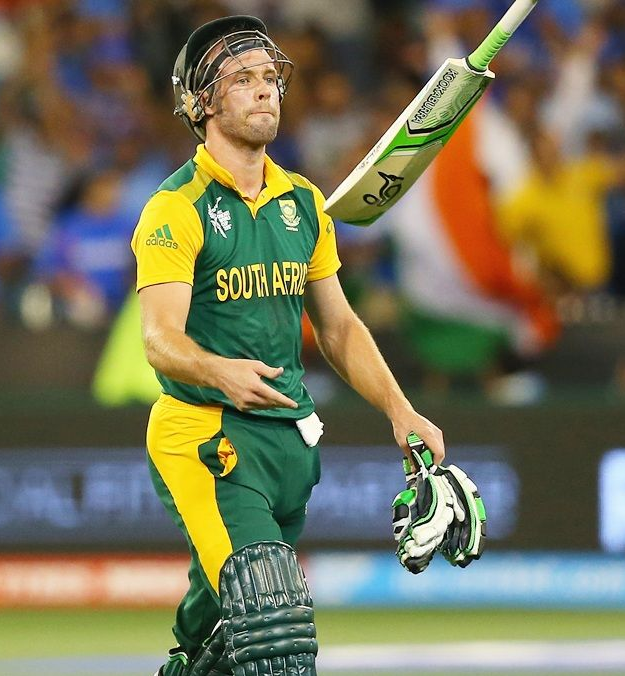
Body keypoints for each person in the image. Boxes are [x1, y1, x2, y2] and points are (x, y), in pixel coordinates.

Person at [131, 16, 445, 676]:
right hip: (208, 432)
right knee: (275, 623)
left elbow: (339, 328)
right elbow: (160, 339)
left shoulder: (303, 201)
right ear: (202, 103)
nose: (264, 89)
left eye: (270, 77)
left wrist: (401, 410)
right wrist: (217, 371)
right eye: (242, 79)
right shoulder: (175, 207)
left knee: (224, 633)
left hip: (291, 441)